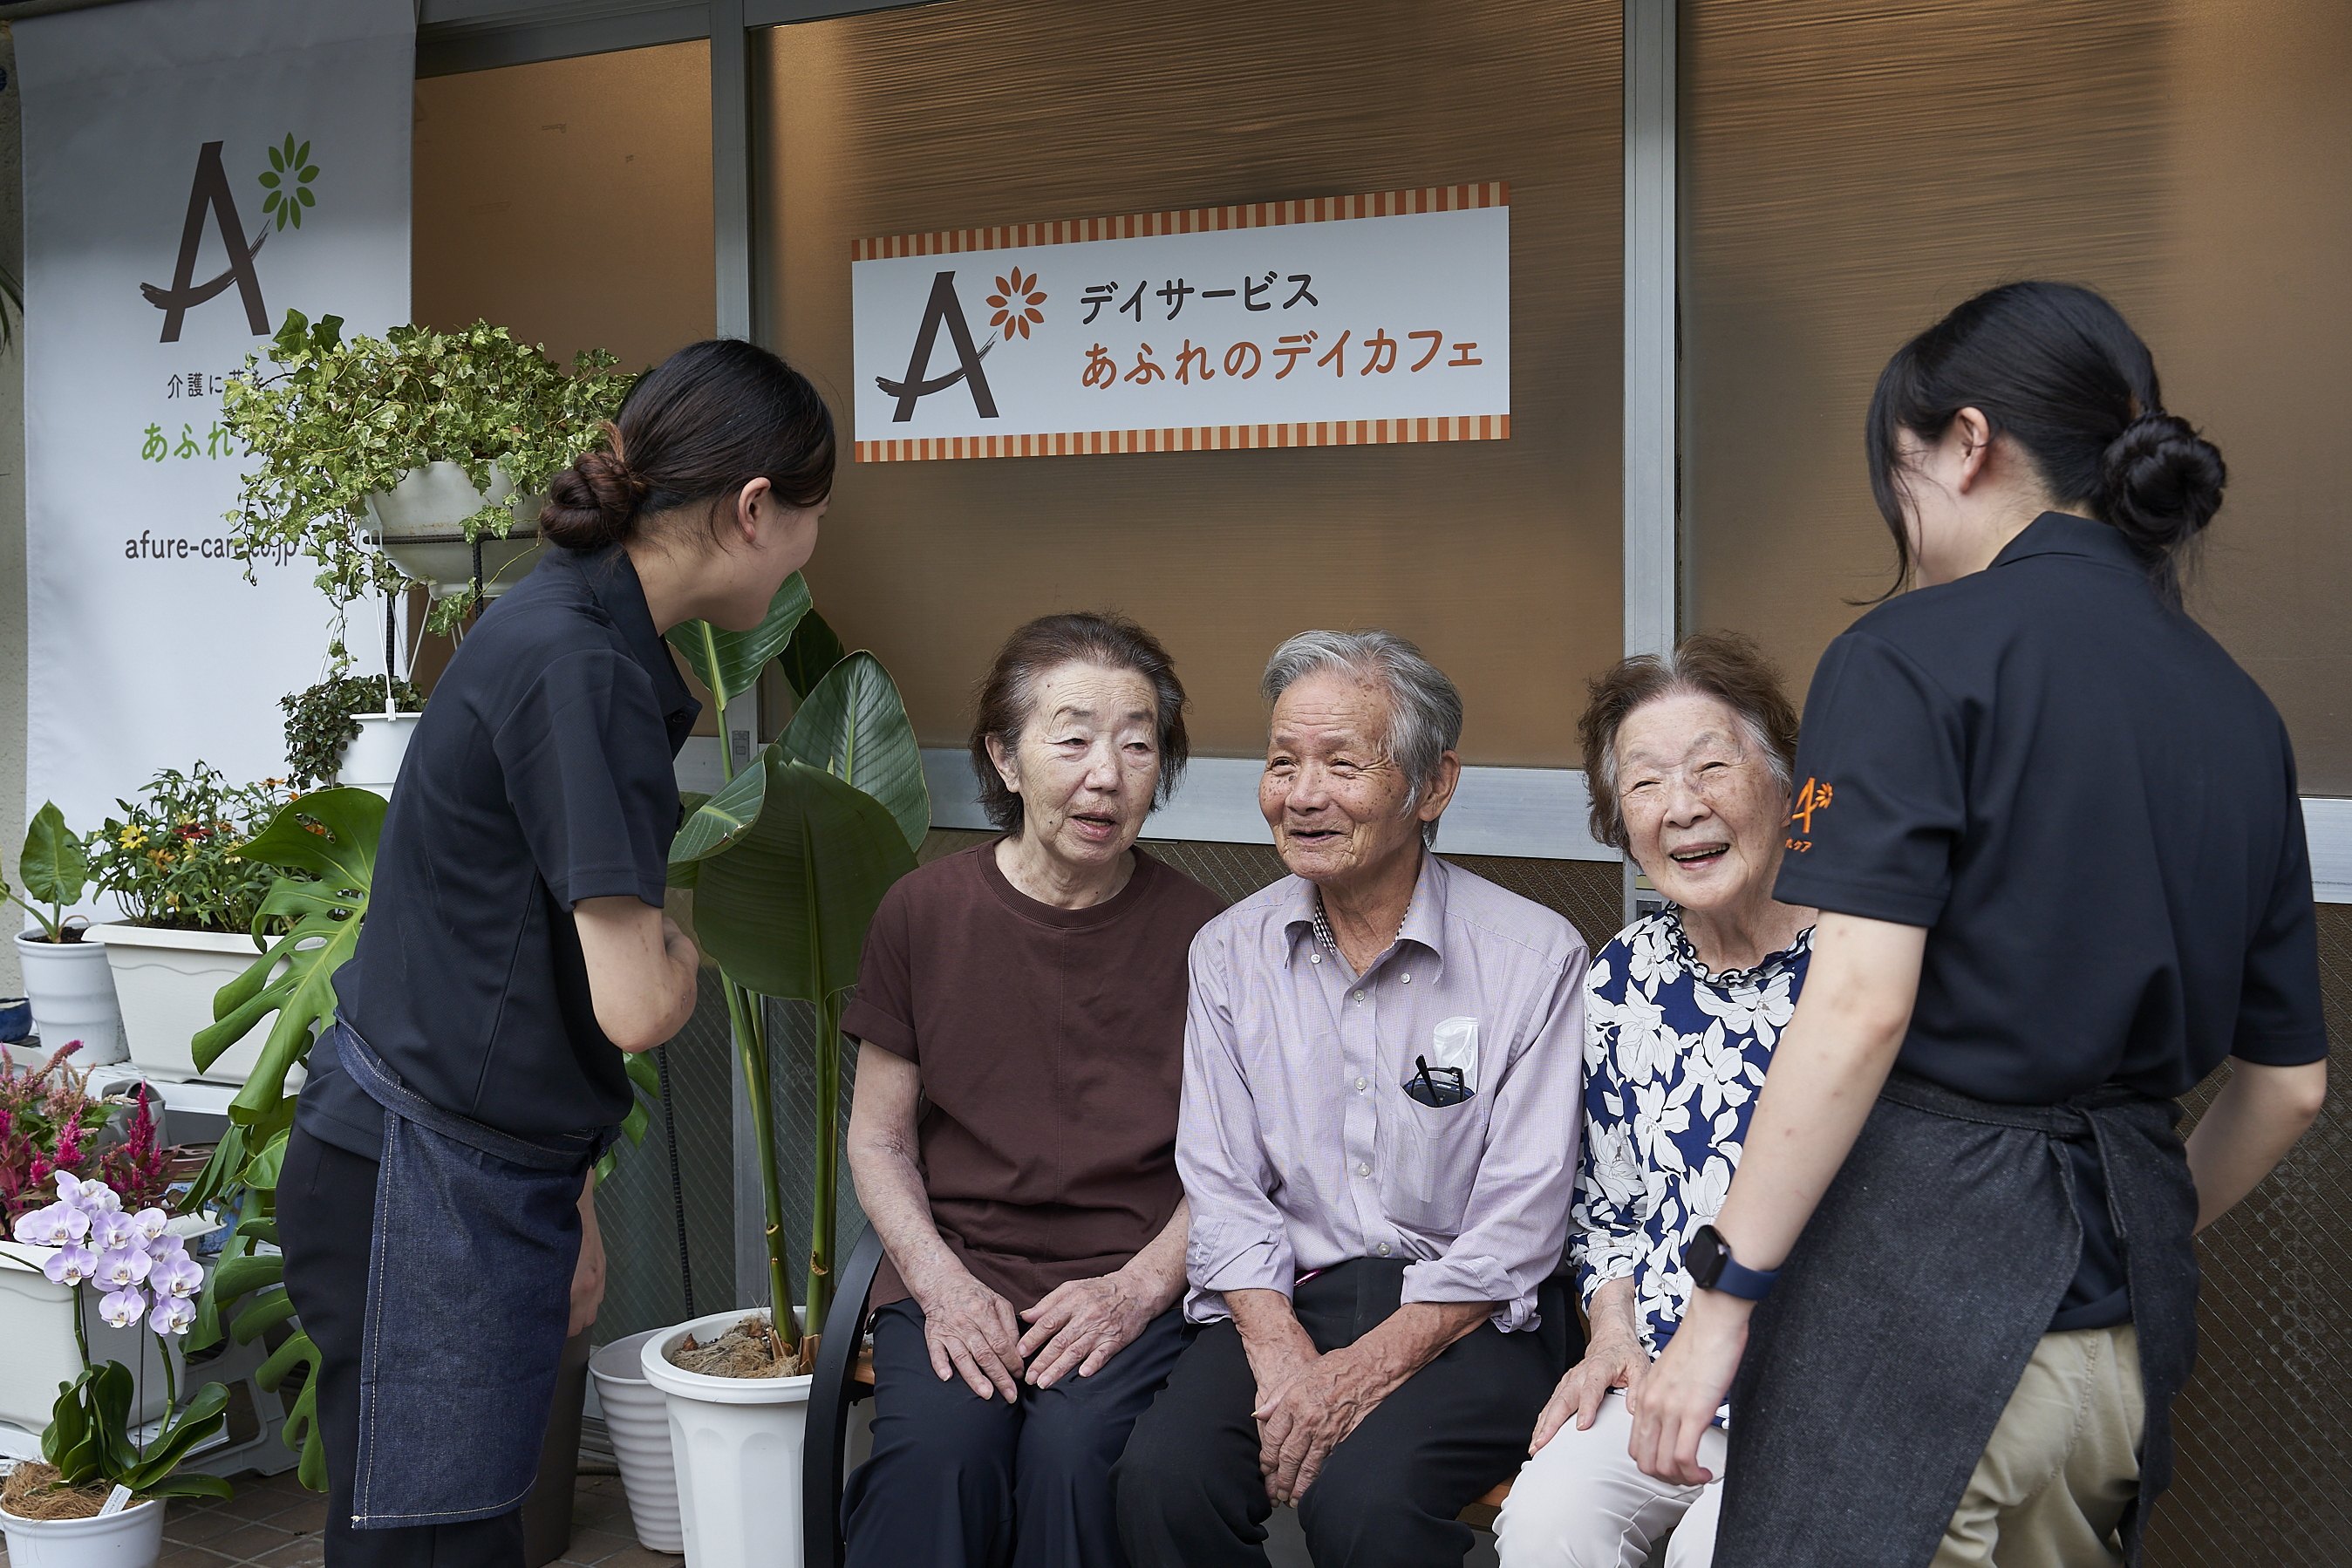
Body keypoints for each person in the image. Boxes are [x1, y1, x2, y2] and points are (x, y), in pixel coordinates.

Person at [1630, 282, 2330, 1568]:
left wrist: (1724, 1298)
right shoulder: (2237, 710)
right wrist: (2127, 1236)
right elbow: (2285, 1087)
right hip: (2118, 1347)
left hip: (1915, 1330)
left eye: (1897, 475)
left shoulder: (1907, 655)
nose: (1902, 523)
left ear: (1965, 441)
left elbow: (1859, 1004)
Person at [277, 339, 835, 1566]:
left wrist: (571, 1201)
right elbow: (636, 1000)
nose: (807, 558)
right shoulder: (577, 662)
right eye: (810, 523)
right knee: (432, 1550)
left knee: (452, 1538)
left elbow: (523, 959)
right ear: (754, 510)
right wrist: (681, 942)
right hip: (419, 1183)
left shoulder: (581, 624)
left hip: (468, 1168)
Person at [1116, 630, 1588, 1568]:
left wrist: (1362, 1373)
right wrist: (1282, 1349)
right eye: (1282, 762)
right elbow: (1221, 1181)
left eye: (1341, 763)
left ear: (1434, 785)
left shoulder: (1534, 959)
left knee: (1365, 1508)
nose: (1301, 794)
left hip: (1470, 1317)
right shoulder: (1229, 954)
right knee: (1161, 1484)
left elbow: (1520, 1222)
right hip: (1295, 1292)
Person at [838, 612, 1227, 1568]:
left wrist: (1136, 1289)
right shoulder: (923, 913)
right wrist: (940, 1284)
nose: (1107, 773)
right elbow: (880, 1140)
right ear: (1005, 759)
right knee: (939, 1460)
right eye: (1074, 739)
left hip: (1128, 1279)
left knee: (1074, 1460)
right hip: (960, 1266)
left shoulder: (1209, 937)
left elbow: (1234, 1163)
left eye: (1139, 744)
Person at [1493, 632, 1814, 1568]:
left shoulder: (1858, 968)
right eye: (1644, 783)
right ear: (1618, 818)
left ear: (1782, 780)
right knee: (1547, 1525)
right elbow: (1608, 1209)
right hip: (1662, 1376)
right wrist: (1609, 1337)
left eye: (1714, 766)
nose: (1683, 806)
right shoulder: (1624, 977)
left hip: (1820, 1393)